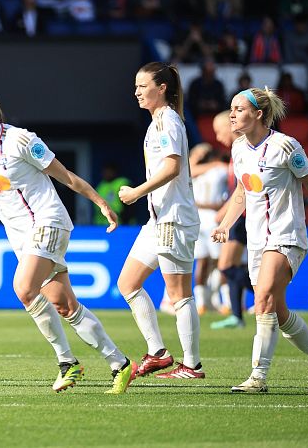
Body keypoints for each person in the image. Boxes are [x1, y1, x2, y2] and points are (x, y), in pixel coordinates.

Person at [0, 89, 137, 394]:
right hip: (21, 238)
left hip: (49, 221)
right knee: (65, 306)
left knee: (23, 287)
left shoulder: (20, 140)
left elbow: (65, 176)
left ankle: (67, 362)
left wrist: (101, 203)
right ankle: (120, 363)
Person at [211, 87, 308, 393]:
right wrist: (225, 225)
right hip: (257, 240)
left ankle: (258, 377)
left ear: (258, 114)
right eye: (231, 108)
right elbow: (242, 192)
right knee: (278, 312)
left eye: (239, 109)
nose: (232, 114)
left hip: (287, 236)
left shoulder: (285, 146)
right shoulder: (239, 148)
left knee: (262, 300)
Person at [117, 62, 204, 380]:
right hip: (158, 221)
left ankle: (192, 365)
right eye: (136, 86)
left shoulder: (168, 120)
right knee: (128, 283)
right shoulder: (157, 122)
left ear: (162, 88)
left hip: (173, 220)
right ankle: (158, 353)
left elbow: (172, 167)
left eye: (142, 86)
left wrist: (137, 192)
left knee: (179, 294)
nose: (136, 92)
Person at [210, 110, 250, 329]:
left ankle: (267, 292)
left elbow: (243, 188)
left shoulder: (244, 149)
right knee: (230, 265)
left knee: (225, 266)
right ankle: (237, 316)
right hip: (238, 216)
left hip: (241, 216)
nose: (217, 137)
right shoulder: (236, 150)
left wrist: (225, 212)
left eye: (219, 131)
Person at [188, 143, 228, 314]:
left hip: (197, 220)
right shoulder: (219, 170)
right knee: (221, 262)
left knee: (202, 262)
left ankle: (202, 303)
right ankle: (227, 302)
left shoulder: (192, 173)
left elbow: (189, 169)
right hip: (213, 219)